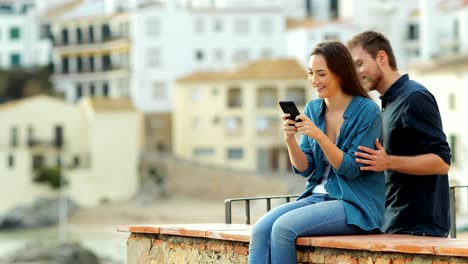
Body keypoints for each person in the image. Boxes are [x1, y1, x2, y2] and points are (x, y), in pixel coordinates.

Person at [248, 41, 385, 264]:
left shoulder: (367, 111)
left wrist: (319, 136)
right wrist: (290, 139)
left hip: (354, 204)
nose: (314, 81)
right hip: (317, 197)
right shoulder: (314, 108)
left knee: (283, 229)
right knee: (261, 229)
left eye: (321, 74)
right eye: (311, 73)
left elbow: (351, 169)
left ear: (340, 74)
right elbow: (306, 168)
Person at [347, 31, 452, 237]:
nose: (357, 73)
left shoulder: (414, 97)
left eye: (359, 64)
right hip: (395, 224)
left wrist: (388, 162)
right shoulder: (388, 103)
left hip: (419, 229)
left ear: (381, 58)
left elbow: (442, 162)